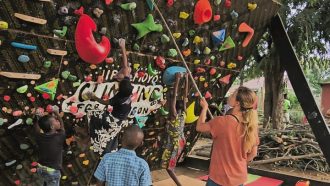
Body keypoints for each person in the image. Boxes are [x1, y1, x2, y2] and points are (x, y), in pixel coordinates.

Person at [196, 87, 259, 186]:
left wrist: (204, 108)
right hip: (239, 178)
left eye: (233, 94)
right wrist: (238, 163)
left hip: (218, 178)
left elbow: (199, 127)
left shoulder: (221, 121)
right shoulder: (251, 125)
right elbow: (253, 154)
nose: (230, 95)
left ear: (237, 103)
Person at [85, 38, 134, 154]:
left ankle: (94, 139)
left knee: (92, 114)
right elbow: (126, 67)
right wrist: (122, 47)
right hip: (122, 119)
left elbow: (105, 103)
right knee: (111, 137)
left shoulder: (118, 98)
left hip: (114, 120)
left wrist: (93, 96)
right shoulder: (128, 89)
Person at [161, 72, 188, 186]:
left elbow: (175, 97)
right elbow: (184, 96)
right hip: (180, 141)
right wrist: (186, 79)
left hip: (174, 143)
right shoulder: (184, 113)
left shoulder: (174, 116)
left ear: (175, 108)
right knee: (169, 165)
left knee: (169, 168)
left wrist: (177, 80)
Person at [34, 106, 65, 186]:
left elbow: (37, 128)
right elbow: (62, 126)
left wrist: (38, 118)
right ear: (52, 127)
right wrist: (56, 113)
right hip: (52, 172)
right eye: (55, 121)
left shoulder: (39, 137)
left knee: (43, 183)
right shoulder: (59, 137)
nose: (57, 120)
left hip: (40, 168)